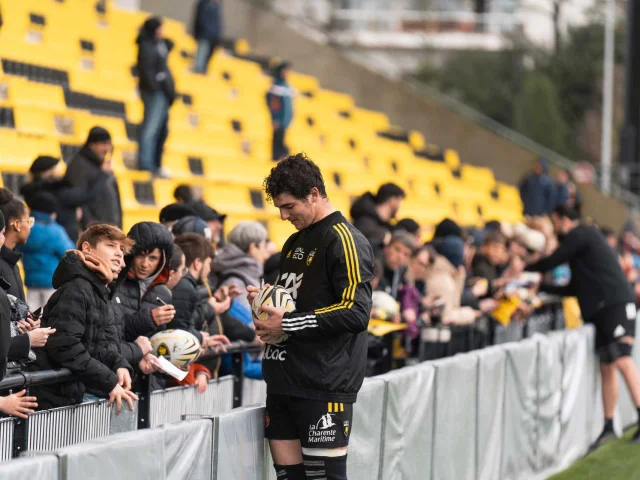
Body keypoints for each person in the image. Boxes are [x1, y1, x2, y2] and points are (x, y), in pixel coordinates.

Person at [247, 153, 374, 480]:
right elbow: (292, 304)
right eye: (279, 208)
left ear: (314, 194)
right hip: (283, 381)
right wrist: (263, 302)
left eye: (289, 206)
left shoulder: (344, 240)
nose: (283, 215)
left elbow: (355, 311)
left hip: (323, 386)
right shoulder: (294, 241)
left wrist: (286, 323)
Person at [520, 205, 640, 447]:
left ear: (564, 220)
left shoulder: (582, 233)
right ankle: (608, 427)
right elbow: (574, 288)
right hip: (603, 309)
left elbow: (555, 259)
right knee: (607, 366)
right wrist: (541, 287)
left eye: (556, 224)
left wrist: (526, 270)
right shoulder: (581, 251)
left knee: (622, 359)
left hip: (615, 305)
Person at [31, 225, 138, 412]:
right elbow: (65, 346)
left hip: (67, 397)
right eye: (111, 246)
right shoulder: (78, 288)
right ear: (87, 249)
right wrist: (110, 382)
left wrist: (118, 363)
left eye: (122, 250)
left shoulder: (95, 289)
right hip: (52, 403)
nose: (119, 255)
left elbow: (93, 346)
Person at [110, 222, 176, 372]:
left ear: (162, 260)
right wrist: (149, 319)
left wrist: (178, 359)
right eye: (141, 255)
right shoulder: (115, 283)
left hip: (148, 378)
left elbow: (162, 342)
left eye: (153, 258)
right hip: (118, 375)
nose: (145, 264)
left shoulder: (163, 293)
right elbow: (112, 332)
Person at [20, 155, 112, 242]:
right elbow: (89, 194)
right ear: (50, 171)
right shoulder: (59, 192)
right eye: (56, 167)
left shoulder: (33, 192)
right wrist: (103, 173)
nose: (60, 170)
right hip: (66, 237)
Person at [169, 233, 229, 347]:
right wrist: (200, 338)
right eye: (208, 263)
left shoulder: (182, 284)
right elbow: (180, 331)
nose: (209, 269)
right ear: (197, 263)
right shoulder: (185, 287)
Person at [19, 192, 75, 310]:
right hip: (51, 282)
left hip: (31, 282)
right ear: (52, 212)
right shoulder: (56, 231)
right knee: (50, 313)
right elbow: (69, 252)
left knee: (31, 314)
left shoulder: (27, 228)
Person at [136, 16, 176, 176]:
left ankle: (156, 163)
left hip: (163, 92)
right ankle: (146, 163)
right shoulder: (146, 46)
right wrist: (155, 86)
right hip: (154, 92)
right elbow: (146, 70)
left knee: (162, 130)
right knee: (150, 128)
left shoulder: (158, 44)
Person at [65, 127, 122, 229]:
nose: (107, 149)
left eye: (109, 144)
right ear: (92, 144)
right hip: (94, 233)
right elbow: (79, 199)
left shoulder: (103, 165)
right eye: (103, 144)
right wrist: (90, 228)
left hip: (109, 229)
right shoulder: (78, 165)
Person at [211, 221, 270, 311]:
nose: (266, 254)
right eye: (264, 246)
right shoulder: (235, 282)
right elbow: (246, 322)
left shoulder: (244, 273)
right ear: (253, 247)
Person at [350, 183, 405, 257]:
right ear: (393, 201)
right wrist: (381, 236)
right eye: (399, 201)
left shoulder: (385, 227)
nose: (399, 207)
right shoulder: (364, 220)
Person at [0, 190, 31, 301]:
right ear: (17, 224)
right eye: (28, 221)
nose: (30, 227)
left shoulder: (12, 261)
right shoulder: (4, 263)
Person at [267, 61, 294, 161]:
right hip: (279, 121)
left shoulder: (287, 86)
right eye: (285, 70)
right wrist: (275, 118)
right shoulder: (276, 85)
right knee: (278, 143)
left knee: (282, 141)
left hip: (285, 121)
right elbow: (274, 103)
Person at [376, 231, 413, 299]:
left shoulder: (401, 272)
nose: (400, 257)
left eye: (406, 254)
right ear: (387, 247)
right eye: (397, 249)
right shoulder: (373, 266)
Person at [193, 0, 223, 74]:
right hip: (204, 34)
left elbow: (217, 24)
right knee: (202, 52)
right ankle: (198, 70)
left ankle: (203, 70)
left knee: (209, 54)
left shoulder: (216, 7)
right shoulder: (204, 4)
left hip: (213, 37)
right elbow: (200, 19)